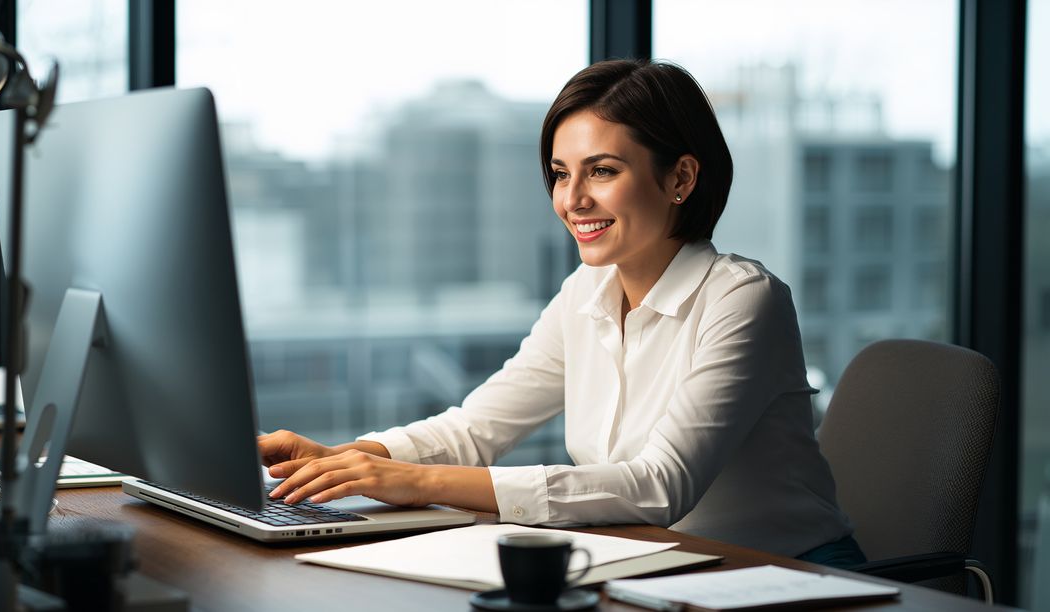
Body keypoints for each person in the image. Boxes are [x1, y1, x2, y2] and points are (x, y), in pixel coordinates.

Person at [258, 59, 865, 566]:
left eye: (602, 171)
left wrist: (416, 482)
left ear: (679, 177)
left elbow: (658, 485)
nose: (572, 200)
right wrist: (342, 460)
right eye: (559, 174)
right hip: (654, 565)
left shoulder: (743, 298)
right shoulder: (587, 292)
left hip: (788, 575)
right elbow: (475, 430)